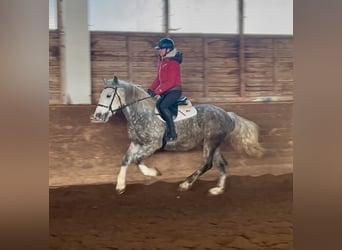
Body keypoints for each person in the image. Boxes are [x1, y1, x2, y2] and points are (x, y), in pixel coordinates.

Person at [147, 37, 183, 141]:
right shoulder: (162, 61)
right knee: (156, 105)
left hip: (174, 91)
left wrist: (157, 91)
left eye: (161, 49)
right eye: (159, 49)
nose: (159, 51)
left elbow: (171, 82)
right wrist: (150, 89)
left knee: (162, 106)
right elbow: (158, 79)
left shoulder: (173, 63)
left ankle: (172, 133)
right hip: (166, 90)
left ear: (168, 49)